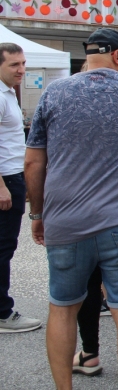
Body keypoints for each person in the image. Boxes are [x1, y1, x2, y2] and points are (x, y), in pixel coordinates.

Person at [25, 28, 118, 389]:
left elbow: (33, 163)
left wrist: (38, 215)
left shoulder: (53, 92)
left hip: (66, 222)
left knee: (62, 308)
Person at [0, 43, 41, 334]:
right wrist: (1, 186)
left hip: (13, 178)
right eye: (14, 64)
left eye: (23, 63)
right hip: (5, 180)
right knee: (3, 249)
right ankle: (3, 313)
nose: (22, 70)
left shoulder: (8, 94)